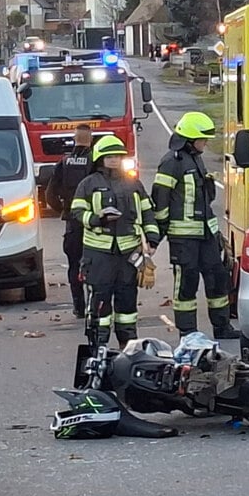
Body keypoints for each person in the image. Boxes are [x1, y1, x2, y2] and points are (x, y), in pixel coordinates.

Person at [151, 111, 239, 340]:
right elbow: (160, 201)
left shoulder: (195, 159)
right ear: (190, 139)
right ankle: (188, 332)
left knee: (218, 277)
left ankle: (222, 327)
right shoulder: (171, 162)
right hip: (183, 238)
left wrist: (216, 233)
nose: (206, 143)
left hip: (206, 234)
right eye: (203, 139)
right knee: (187, 283)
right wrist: (156, 236)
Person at [70, 135, 160, 349]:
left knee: (127, 301)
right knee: (99, 302)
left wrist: (153, 238)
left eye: (118, 156)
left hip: (128, 254)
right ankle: (98, 346)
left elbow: (147, 212)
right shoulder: (88, 184)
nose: (114, 160)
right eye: (109, 156)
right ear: (100, 158)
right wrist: (97, 219)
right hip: (99, 256)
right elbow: (77, 211)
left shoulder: (133, 184)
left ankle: (128, 347)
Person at [46, 125, 95, 317]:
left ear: (75, 140)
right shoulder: (95, 162)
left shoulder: (64, 163)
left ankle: (78, 307)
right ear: (90, 140)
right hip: (93, 223)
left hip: (72, 224)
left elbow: (50, 195)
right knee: (96, 265)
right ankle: (94, 304)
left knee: (74, 265)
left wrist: (64, 211)